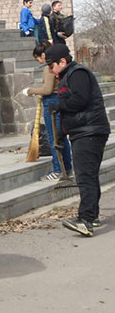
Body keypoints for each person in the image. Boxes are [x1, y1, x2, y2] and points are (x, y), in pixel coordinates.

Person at [45, 44, 110, 237]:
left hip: (89, 131)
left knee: (84, 177)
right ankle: (93, 216)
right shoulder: (68, 74)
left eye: (51, 65)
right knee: (89, 175)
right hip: (84, 130)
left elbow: (81, 99)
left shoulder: (77, 73)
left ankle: (86, 220)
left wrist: (59, 105)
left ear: (62, 62)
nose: (50, 69)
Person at [22, 41, 73, 181]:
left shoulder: (49, 69)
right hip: (57, 101)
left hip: (52, 102)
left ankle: (57, 170)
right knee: (60, 138)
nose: (38, 61)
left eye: (38, 58)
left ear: (43, 55)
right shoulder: (53, 67)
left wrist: (31, 91)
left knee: (54, 138)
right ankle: (67, 168)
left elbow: (47, 89)